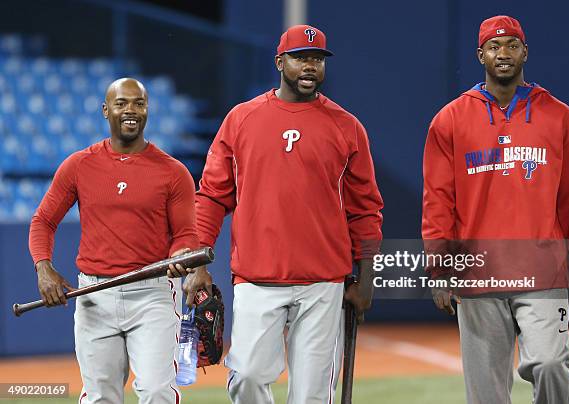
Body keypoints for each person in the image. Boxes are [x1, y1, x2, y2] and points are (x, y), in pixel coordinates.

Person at [183, 24, 383, 404]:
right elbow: (210, 196)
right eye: (300, 58)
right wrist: (198, 263)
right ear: (280, 62)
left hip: (324, 282)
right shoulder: (242, 119)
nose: (310, 67)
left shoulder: (347, 127)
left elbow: (366, 209)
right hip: (257, 278)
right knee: (247, 377)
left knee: (312, 396)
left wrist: (367, 276)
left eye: (317, 60)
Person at [422, 15, 569, 404]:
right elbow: (438, 201)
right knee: (486, 393)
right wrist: (440, 269)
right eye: (494, 47)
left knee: (551, 366)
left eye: (512, 46)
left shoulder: (561, 118)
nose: (503, 54)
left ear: (525, 53)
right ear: (480, 55)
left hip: (543, 269)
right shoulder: (449, 120)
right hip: (478, 272)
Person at [29, 78, 204, 403]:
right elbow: (43, 220)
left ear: (147, 109)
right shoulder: (79, 165)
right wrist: (43, 267)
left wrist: (182, 253)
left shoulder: (173, 172)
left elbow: (185, 234)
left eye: (138, 103)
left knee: (156, 391)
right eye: (122, 103)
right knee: (100, 397)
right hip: (94, 295)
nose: (131, 110)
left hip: (152, 296)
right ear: (106, 110)